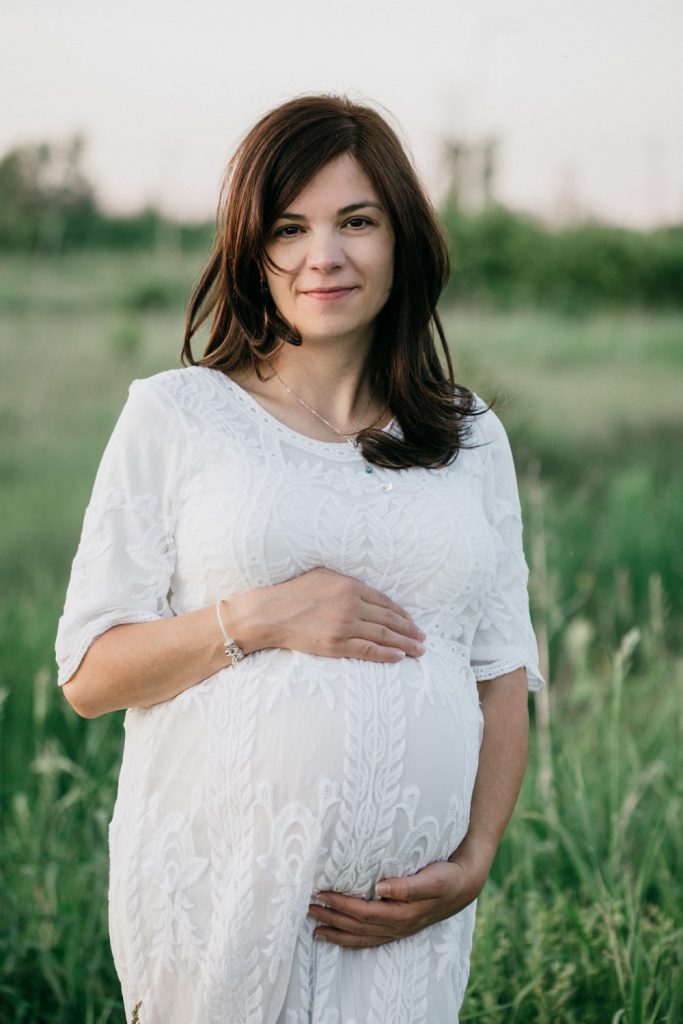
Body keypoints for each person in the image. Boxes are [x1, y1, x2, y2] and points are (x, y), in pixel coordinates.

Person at [55, 94, 544, 1024]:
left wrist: (474, 860)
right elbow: (87, 674)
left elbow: (500, 668)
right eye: (290, 227)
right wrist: (258, 617)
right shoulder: (179, 417)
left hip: (405, 930)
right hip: (219, 905)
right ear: (252, 249)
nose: (324, 255)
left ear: (402, 241)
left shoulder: (470, 437)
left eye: (356, 221)